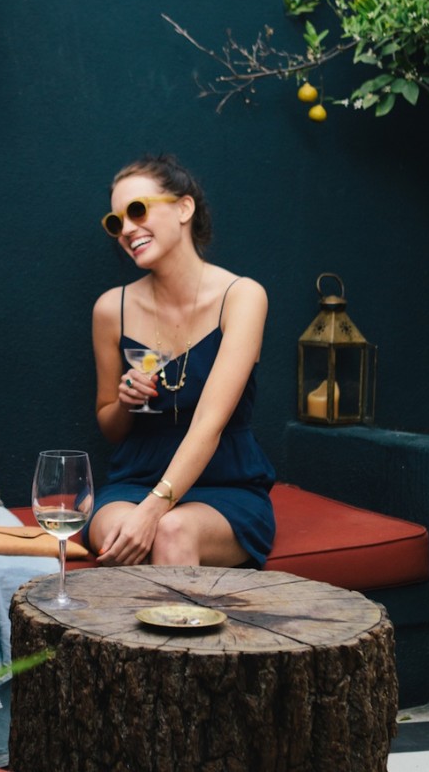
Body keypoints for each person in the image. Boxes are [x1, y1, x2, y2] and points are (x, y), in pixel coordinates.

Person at [86, 153, 276, 568]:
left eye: (137, 210)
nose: (127, 229)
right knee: (121, 534)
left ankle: (179, 636)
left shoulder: (241, 296)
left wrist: (153, 512)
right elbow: (111, 428)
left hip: (225, 481)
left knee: (171, 530)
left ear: (184, 207)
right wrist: (125, 403)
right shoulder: (110, 309)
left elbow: (210, 422)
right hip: (135, 479)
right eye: (116, 222)